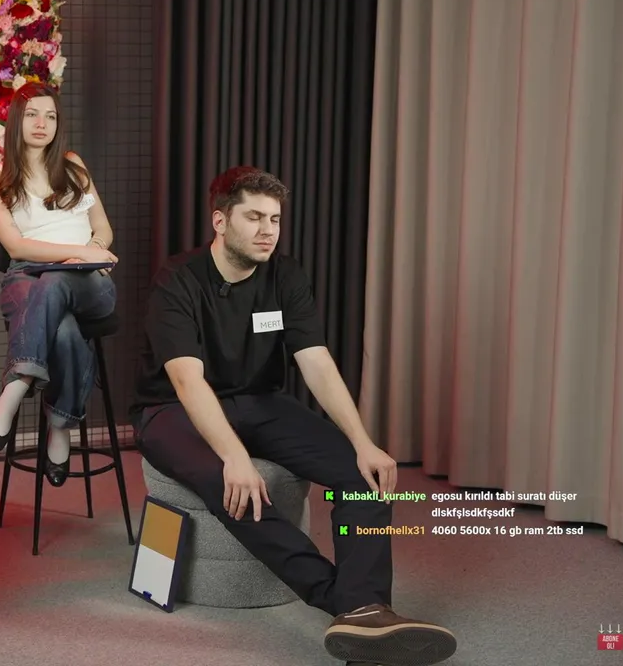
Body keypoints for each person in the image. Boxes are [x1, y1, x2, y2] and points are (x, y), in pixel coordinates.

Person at [131, 167, 458, 666]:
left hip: (259, 401)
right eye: (254, 217)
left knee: (362, 477)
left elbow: (316, 362)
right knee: (231, 483)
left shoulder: (285, 275)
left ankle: (366, 610)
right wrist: (234, 457)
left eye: (275, 219)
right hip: (171, 410)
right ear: (220, 221)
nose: (268, 230)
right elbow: (187, 381)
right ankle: (348, 604)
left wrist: (363, 442)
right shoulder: (178, 280)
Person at [0, 82, 119, 487]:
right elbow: (15, 245)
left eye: (50, 116)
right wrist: (72, 253)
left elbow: (103, 229)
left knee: (56, 281)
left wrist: (90, 253)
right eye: (33, 115)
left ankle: (16, 387)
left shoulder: (72, 165)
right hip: (25, 277)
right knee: (65, 328)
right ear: (16, 121)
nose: (42, 123)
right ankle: (60, 424)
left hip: (89, 281)